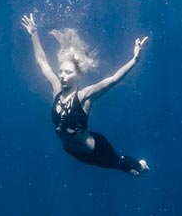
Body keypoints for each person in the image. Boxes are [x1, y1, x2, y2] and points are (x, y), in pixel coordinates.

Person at [21, 13, 150, 175]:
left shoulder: (84, 96)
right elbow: (42, 62)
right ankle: (135, 168)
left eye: (68, 72)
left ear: (78, 75)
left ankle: (140, 166)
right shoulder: (56, 88)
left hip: (95, 150)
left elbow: (113, 79)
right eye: (61, 71)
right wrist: (33, 33)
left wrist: (134, 60)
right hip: (74, 153)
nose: (62, 75)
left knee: (120, 163)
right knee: (119, 166)